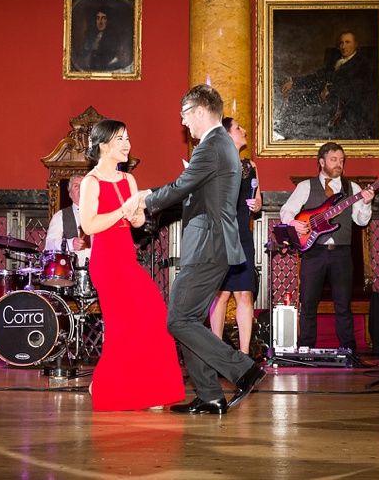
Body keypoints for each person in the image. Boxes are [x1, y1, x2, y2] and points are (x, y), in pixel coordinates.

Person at [128, 84, 266, 415]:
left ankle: (242, 369)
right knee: (187, 319)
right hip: (212, 243)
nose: (183, 123)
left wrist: (143, 198)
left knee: (177, 320)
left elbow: (180, 188)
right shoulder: (219, 145)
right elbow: (192, 192)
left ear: (199, 112)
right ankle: (209, 395)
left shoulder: (213, 145)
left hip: (209, 244)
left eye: (185, 116)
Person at [79, 119, 185, 411]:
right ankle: (107, 387)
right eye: (120, 139)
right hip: (106, 262)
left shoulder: (128, 180)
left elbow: (137, 222)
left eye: (128, 138)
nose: (127, 144)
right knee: (122, 326)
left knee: (154, 314)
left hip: (127, 258)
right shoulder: (91, 182)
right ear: (103, 146)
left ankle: (151, 390)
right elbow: (89, 225)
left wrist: (136, 213)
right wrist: (122, 210)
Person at [279, 142, 374, 353]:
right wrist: (294, 223)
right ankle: (305, 348)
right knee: (308, 304)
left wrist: (366, 204)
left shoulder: (353, 189)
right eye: (334, 159)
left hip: (341, 253)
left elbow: (360, 221)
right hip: (314, 252)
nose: (339, 164)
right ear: (321, 162)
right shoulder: (305, 186)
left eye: (341, 160)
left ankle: (348, 349)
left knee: (343, 305)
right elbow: (286, 211)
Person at [209, 118, 261, 355]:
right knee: (220, 294)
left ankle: (244, 354)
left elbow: (258, 201)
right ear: (227, 134)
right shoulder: (215, 163)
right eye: (239, 128)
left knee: (245, 293)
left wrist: (258, 203)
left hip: (243, 234)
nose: (244, 130)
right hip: (221, 235)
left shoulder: (250, 166)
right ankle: (218, 352)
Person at [280, 31, 372, 130]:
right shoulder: (335, 61)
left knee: (310, 118)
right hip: (322, 97)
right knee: (294, 97)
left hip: (343, 104)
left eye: (347, 42)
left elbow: (354, 88)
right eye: (341, 43)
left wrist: (330, 90)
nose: (343, 46)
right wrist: (293, 81)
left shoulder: (362, 64)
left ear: (356, 44)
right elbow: (318, 76)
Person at [44, 174, 91, 267]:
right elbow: (49, 245)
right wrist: (70, 244)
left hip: (99, 269)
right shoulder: (60, 216)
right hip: (71, 272)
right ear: (70, 194)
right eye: (76, 186)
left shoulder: (99, 214)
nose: (80, 189)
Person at [77, 7, 131, 72]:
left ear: (108, 20)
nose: (100, 22)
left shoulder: (112, 37)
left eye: (103, 18)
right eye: (98, 18)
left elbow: (107, 60)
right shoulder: (96, 35)